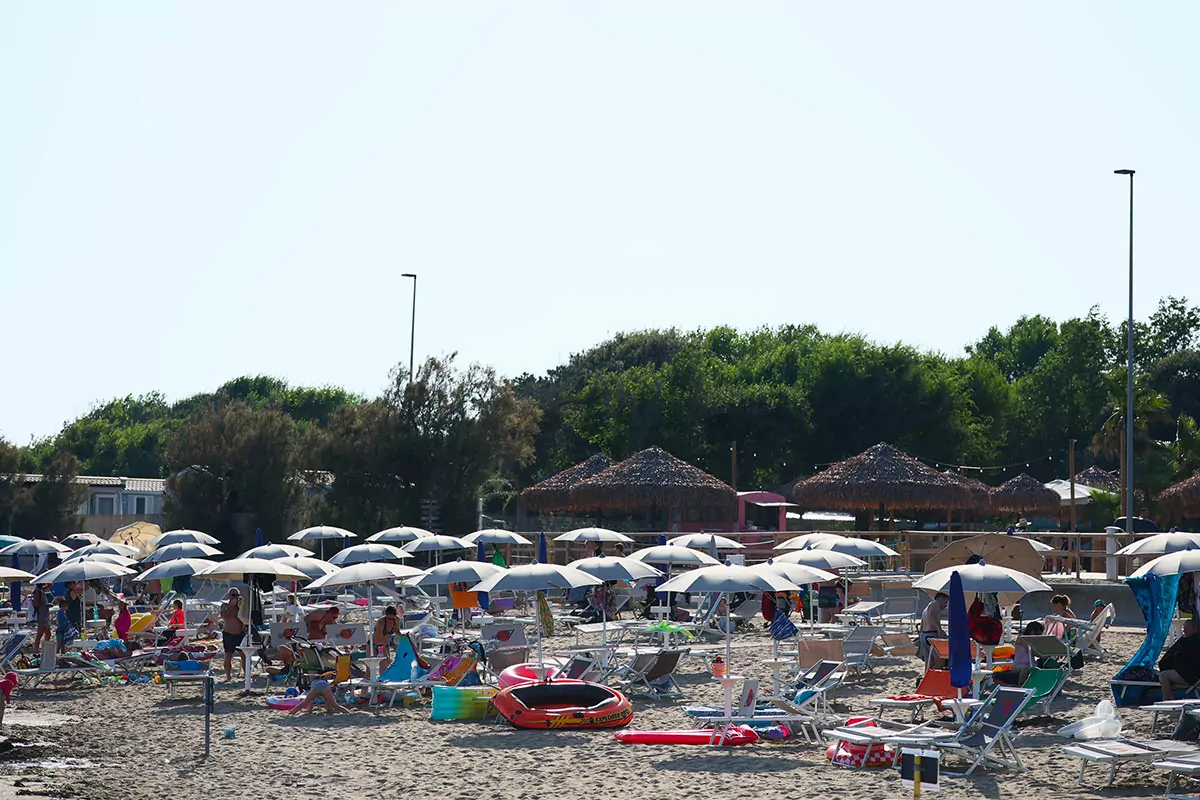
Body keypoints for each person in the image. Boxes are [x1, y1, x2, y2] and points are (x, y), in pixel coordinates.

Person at [993, 621, 1045, 686]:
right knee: (995, 676)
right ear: (1032, 632)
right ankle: (1013, 687)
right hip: (1021, 667)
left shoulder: (1027, 639)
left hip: (1027, 667)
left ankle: (1014, 687)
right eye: (1038, 634)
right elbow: (1035, 652)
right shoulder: (1022, 638)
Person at [1160, 618, 1200, 700]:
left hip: (1192, 677)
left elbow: (1166, 660)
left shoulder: (1188, 642)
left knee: (1164, 676)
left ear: (1195, 628)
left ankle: (1168, 700)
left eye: (1185, 629)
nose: (1184, 631)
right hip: (1195, 676)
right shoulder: (1193, 640)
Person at [288, 677, 353, 716]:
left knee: (304, 703)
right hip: (324, 686)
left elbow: (311, 703)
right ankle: (349, 713)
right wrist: (328, 711)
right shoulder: (327, 683)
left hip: (315, 687)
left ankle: (291, 713)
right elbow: (328, 704)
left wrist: (310, 712)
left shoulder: (313, 683)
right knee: (336, 706)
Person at [220, 589, 247, 682]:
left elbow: (246, 616)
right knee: (228, 656)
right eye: (233, 595)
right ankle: (228, 677)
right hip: (228, 634)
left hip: (240, 634)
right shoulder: (225, 605)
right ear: (229, 596)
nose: (235, 597)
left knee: (244, 655)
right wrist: (231, 606)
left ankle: (246, 675)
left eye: (237, 595)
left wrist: (242, 605)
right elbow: (224, 616)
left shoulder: (241, 605)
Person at [919, 593, 950, 667]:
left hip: (924, 635)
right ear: (940, 599)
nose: (946, 605)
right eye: (945, 602)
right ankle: (936, 677)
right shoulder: (935, 604)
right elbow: (932, 616)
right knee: (939, 660)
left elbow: (922, 623)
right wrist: (939, 630)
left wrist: (920, 636)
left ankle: (927, 677)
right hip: (932, 634)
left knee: (929, 661)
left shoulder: (926, 608)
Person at [32, 584, 52, 653]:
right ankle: (37, 651)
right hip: (41, 615)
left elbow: (48, 587)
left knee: (48, 633)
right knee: (39, 634)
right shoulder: (37, 591)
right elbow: (36, 604)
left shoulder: (40, 589)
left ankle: (45, 649)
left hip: (45, 615)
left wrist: (49, 584)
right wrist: (47, 605)